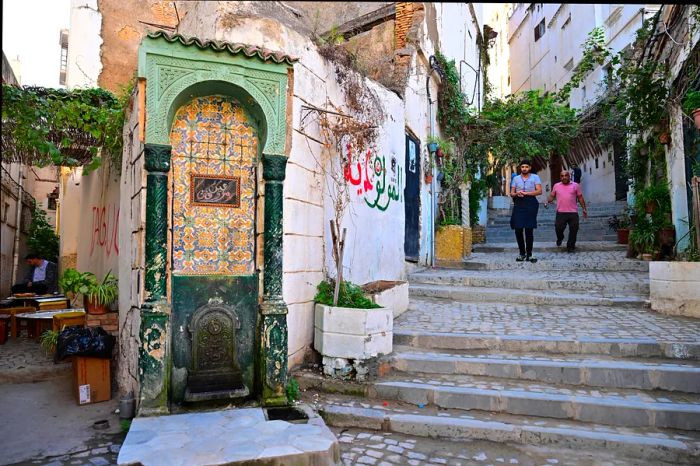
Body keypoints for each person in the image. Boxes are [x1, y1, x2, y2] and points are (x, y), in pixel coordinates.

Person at [545, 170, 588, 253]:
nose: (564, 177)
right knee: (558, 228)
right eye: (562, 176)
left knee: (574, 229)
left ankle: (571, 246)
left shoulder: (575, 185)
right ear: (560, 177)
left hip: (573, 212)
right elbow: (552, 196)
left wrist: (584, 209)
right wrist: (547, 202)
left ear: (569, 176)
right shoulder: (556, 186)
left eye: (566, 175)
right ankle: (560, 238)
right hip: (561, 212)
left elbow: (580, 197)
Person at [510, 159, 542, 262]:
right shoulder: (515, 179)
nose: (524, 169)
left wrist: (526, 193)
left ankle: (529, 254)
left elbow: (539, 191)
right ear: (520, 168)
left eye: (526, 167)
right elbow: (511, 193)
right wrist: (516, 194)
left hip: (531, 203)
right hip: (519, 203)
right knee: (518, 229)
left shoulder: (535, 177)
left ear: (530, 168)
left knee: (529, 229)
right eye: (523, 167)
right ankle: (521, 253)